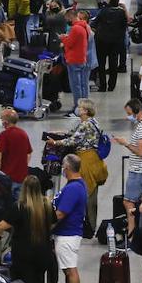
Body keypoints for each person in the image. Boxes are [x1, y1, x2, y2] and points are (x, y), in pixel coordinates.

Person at [44, 99, 108, 232]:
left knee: (88, 193)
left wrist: (55, 143)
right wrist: (60, 133)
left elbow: (72, 140)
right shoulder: (92, 122)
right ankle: (91, 224)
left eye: (80, 107)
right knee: (92, 192)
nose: (78, 109)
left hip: (86, 160)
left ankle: (88, 226)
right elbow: (75, 133)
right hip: (94, 159)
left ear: (85, 110)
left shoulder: (85, 125)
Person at [51, 153, 88, 283]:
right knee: (67, 271)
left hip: (68, 234)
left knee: (70, 271)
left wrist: (46, 224)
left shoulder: (73, 188)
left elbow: (60, 214)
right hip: (67, 233)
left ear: (66, 168)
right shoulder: (75, 185)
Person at [115, 98, 142, 233]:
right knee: (141, 202)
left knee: (129, 203)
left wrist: (125, 143)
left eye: (129, 113)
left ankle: (131, 234)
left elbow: (140, 151)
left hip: (138, 171)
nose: (128, 116)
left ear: (137, 111)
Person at [0, 108, 31, 184]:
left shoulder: (4, 135)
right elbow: (28, 154)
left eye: (1, 118)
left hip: (7, 178)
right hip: (21, 177)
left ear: (5, 122)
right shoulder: (23, 134)